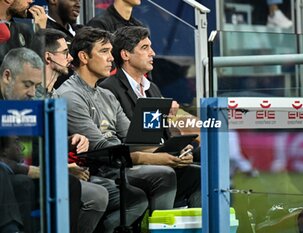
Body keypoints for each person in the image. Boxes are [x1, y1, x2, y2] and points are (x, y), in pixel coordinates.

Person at [56, 26, 164, 232]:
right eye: (104, 51)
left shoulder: (106, 95)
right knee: (161, 176)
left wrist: (160, 149)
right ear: (84, 57)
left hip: (117, 166)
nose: (111, 58)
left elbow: (131, 136)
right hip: (97, 170)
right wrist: (145, 155)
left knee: (140, 197)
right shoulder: (70, 95)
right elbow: (99, 145)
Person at [99, 26, 201, 208]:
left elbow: (165, 132)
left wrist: (181, 149)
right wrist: (159, 156)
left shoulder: (152, 88)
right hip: (132, 163)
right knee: (166, 174)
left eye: (151, 47)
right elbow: (120, 138)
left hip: (161, 155)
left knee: (202, 168)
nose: (152, 53)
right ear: (125, 55)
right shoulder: (109, 88)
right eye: (145, 48)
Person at [34, 28, 110, 233]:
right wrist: (64, 169)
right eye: (65, 52)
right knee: (98, 194)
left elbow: (50, 140)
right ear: (48, 57)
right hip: (37, 174)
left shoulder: (55, 96)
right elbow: (32, 148)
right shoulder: (32, 96)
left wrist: (70, 139)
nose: (70, 58)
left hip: (62, 171)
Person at [0, 47, 83, 233]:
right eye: (27, 84)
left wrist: (64, 143)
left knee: (70, 184)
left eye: (36, 86)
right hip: (8, 174)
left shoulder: (23, 105)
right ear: (7, 76)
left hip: (19, 169)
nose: (32, 92)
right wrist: (34, 170)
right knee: (23, 184)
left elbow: (30, 149)